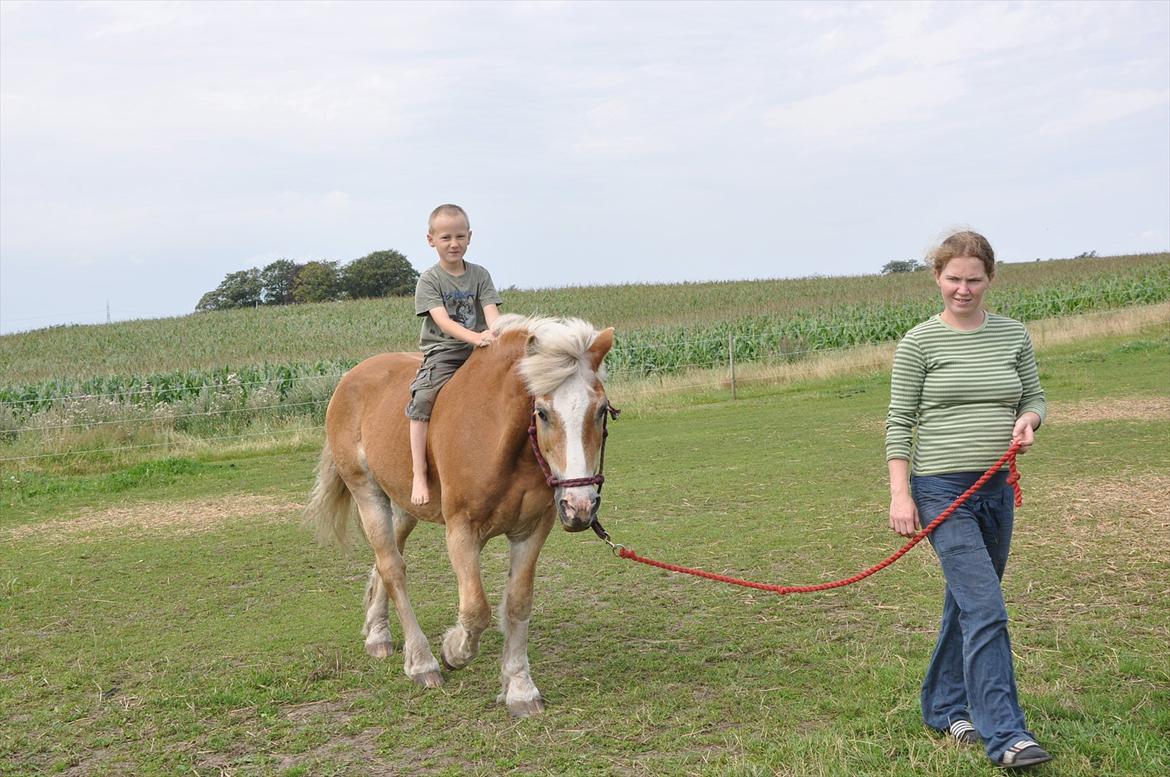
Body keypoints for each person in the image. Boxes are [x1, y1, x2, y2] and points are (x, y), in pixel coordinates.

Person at [885, 230, 1051, 769]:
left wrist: (1029, 419)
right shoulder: (919, 343)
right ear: (937, 278)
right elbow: (899, 424)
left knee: (966, 601)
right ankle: (1006, 735)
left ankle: (942, 704)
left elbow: (1033, 395)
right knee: (986, 606)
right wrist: (900, 495)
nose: (963, 289)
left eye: (973, 279)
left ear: (990, 279)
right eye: (953, 278)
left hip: (997, 489)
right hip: (940, 491)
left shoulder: (1012, 336)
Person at [406, 203, 502, 505]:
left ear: (470, 237)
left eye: (460, 236)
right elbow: (444, 322)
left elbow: (492, 314)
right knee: (422, 399)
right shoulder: (430, 280)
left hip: (482, 349)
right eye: (446, 237)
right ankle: (419, 473)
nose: (454, 243)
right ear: (431, 239)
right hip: (444, 352)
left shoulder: (480, 275)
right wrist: (476, 337)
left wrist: (499, 334)